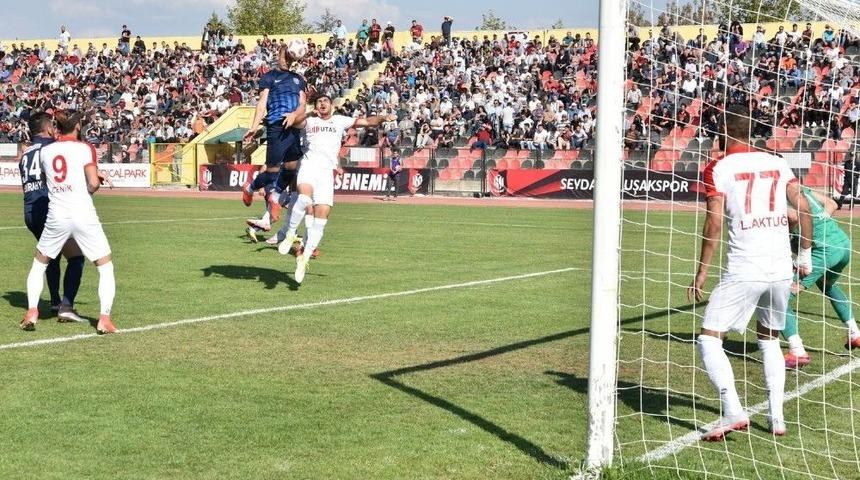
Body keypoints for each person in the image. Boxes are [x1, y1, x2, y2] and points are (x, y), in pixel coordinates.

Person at [688, 104, 814, 441]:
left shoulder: (717, 167)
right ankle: (777, 418)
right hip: (779, 268)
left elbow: (714, 222)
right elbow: (803, 207)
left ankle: (732, 411)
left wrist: (701, 272)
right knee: (769, 339)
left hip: (745, 266)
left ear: (725, 133)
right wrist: (805, 255)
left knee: (709, 337)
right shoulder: (776, 161)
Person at [277, 94, 395, 284]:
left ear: (332, 105)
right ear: (315, 106)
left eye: (325, 101)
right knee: (305, 198)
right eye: (319, 102)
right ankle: (290, 234)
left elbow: (366, 122)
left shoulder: (340, 120)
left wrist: (382, 117)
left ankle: (304, 257)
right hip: (309, 166)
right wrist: (308, 113)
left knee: (321, 219)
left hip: (326, 173)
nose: (322, 104)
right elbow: (294, 122)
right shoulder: (309, 120)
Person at [21, 110, 117, 334]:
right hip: (83, 213)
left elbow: (47, 180)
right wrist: (86, 190)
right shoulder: (85, 148)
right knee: (104, 265)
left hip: (56, 215)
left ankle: (33, 311)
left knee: (40, 263)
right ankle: (104, 319)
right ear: (77, 127)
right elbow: (92, 183)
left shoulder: (47, 151)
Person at [18, 111, 86, 323]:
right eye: (54, 127)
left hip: (29, 211)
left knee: (51, 255)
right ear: (48, 129)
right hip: (47, 209)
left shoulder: (26, 153)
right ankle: (65, 305)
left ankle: (55, 301)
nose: (56, 129)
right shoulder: (52, 149)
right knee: (76, 257)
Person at [782, 187, 858, 368]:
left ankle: (797, 351)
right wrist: (820, 221)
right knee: (827, 285)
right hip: (842, 244)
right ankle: (855, 333)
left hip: (823, 251)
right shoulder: (801, 189)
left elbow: (792, 217)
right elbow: (832, 204)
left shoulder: (777, 193)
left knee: (780, 297)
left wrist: (791, 240)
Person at [242, 44, 307, 242]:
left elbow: (303, 104)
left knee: (292, 167)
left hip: (293, 126)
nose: (287, 60)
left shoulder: (299, 79)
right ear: (279, 54)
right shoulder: (268, 77)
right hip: (276, 125)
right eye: (284, 56)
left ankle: (271, 197)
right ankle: (252, 188)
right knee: (271, 172)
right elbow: (262, 104)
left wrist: (295, 114)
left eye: (290, 57)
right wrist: (254, 127)